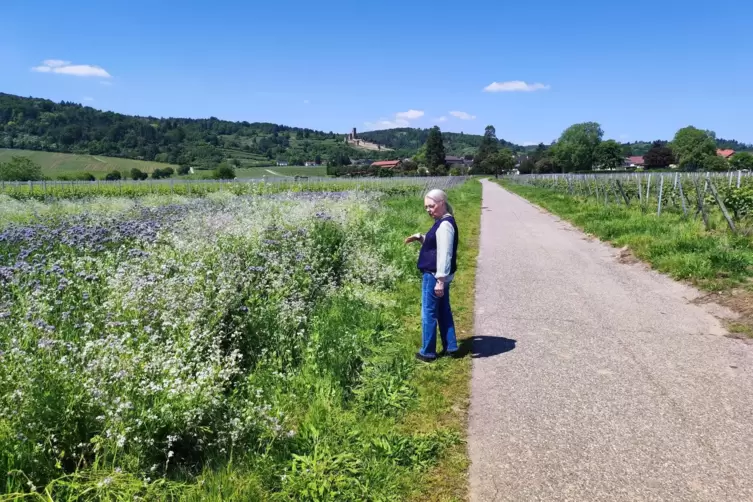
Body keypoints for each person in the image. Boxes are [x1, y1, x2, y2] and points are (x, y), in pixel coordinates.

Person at [404, 189, 460, 362]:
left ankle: (427, 352)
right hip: (438, 275)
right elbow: (435, 243)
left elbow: (445, 254)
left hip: (435, 276)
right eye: (426, 207)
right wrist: (420, 237)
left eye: (431, 206)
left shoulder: (444, 225)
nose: (429, 210)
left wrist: (440, 281)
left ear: (442, 203)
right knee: (443, 311)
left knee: (428, 313)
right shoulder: (442, 221)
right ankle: (451, 347)